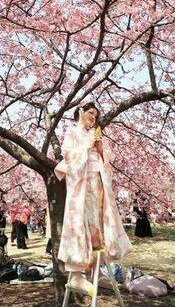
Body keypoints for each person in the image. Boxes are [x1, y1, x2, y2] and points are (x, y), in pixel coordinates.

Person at [55, 102, 132, 295]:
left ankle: (95, 269)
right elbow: (68, 157)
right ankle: (76, 275)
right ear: (80, 112)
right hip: (81, 185)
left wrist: (100, 148)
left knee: (98, 222)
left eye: (95, 115)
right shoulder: (72, 132)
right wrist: (88, 144)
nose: (93, 118)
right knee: (80, 223)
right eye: (90, 113)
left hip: (97, 182)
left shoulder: (94, 134)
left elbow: (106, 162)